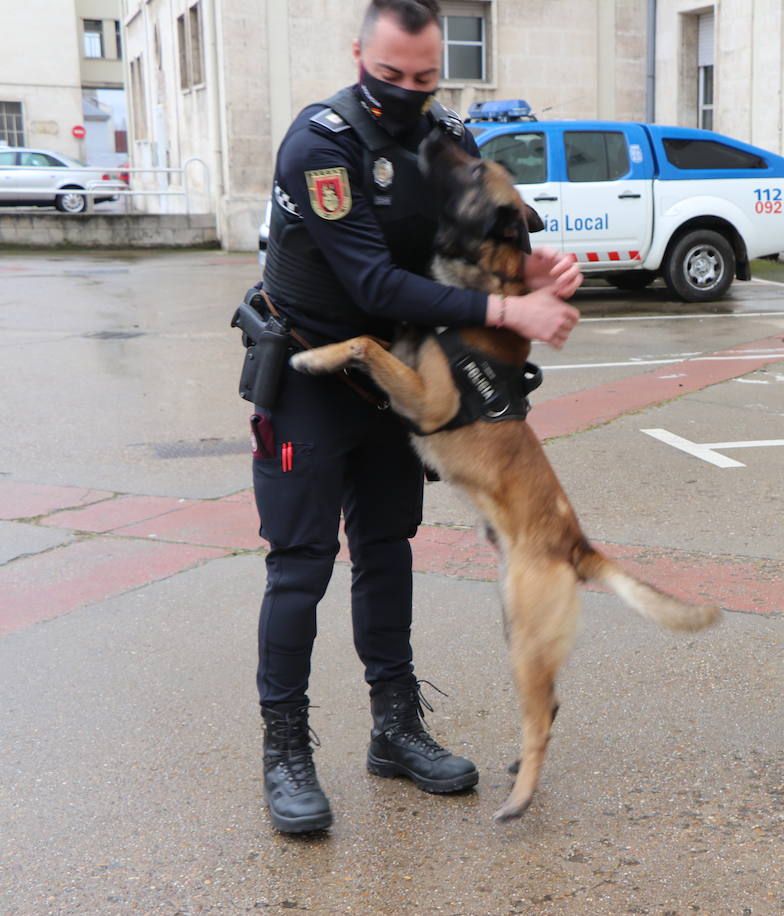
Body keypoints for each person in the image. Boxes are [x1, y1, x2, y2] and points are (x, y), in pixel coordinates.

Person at [244, 0, 582, 834]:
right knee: (300, 565)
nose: (407, 91)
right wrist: (509, 317)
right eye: (390, 75)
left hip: (395, 384)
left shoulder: (445, 138)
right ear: (358, 53)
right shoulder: (319, 145)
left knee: (388, 550)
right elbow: (370, 284)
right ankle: (285, 750)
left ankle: (395, 728)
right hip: (311, 373)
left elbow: (463, 238)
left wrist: (532, 267)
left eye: (425, 78)